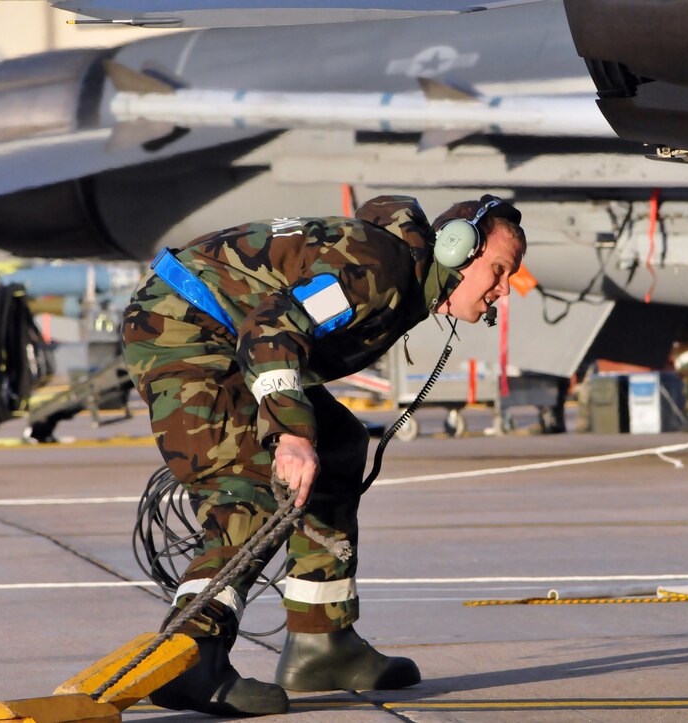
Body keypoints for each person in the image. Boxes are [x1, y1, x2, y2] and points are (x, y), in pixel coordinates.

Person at [121, 194, 526, 716]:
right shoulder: (377, 272)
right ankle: (192, 657)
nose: (502, 289)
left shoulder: (399, 272)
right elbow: (270, 331)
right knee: (246, 488)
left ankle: (322, 641)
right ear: (456, 251)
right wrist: (290, 435)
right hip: (185, 331)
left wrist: (304, 435)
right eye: (498, 270)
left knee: (337, 445)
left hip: (225, 332)